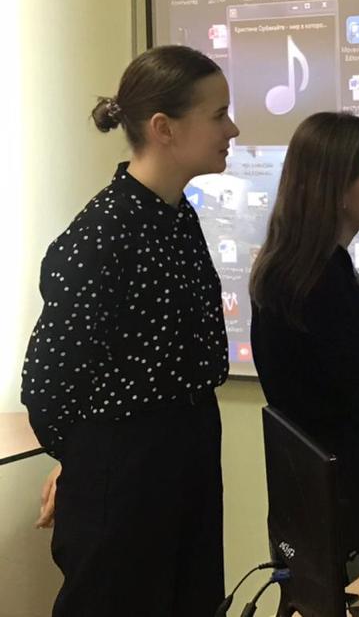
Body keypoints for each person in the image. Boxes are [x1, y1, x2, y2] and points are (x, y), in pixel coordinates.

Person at [21, 45, 238, 616]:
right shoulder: (102, 234)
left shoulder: (176, 214)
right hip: (126, 477)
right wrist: (87, 463)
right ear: (164, 128)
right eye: (219, 115)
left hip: (184, 453)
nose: (232, 129)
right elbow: (46, 385)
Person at [249, 112, 359, 578]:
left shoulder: (300, 273)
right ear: (338, 188)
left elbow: (358, 405)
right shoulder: (319, 288)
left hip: (332, 498)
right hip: (343, 509)